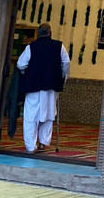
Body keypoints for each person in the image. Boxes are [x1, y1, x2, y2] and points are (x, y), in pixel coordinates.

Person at [17, 22, 70, 153]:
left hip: (33, 86)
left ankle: (30, 146)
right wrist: (62, 77)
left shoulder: (31, 47)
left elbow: (20, 64)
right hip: (51, 86)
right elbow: (66, 63)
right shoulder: (59, 46)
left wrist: (28, 74)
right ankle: (43, 143)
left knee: (31, 116)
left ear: (38, 34)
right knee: (49, 114)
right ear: (50, 33)